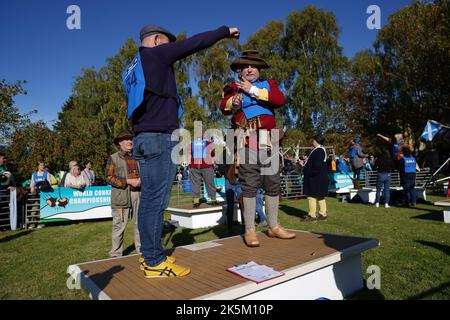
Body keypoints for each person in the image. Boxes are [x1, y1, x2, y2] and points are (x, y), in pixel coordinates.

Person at [127, 24, 240, 277]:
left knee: (149, 200)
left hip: (142, 137)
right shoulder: (155, 53)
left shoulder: (133, 65)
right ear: (157, 40)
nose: (170, 48)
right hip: (158, 137)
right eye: (167, 42)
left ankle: (148, 255)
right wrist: (224, 31)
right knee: (156, 201)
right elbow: (194, 43)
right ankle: (154, 261)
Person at [220, 49, 295, 247]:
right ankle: (250, 230)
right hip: (247, 140)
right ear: (239, 71)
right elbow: (223, 107)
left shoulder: (269, 85)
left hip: (269, 140)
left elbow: (279, 100)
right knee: (250, 184)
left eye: (254, 66)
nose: (250, 69)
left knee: (272, 183)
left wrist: (251, 90)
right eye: (246, 66)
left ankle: (273, 226)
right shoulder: (231, 88)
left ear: (259, 69)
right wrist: (233, 102)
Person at [106, 130, 142, 258]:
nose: (130, 141)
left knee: (140, 223)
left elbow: (144, 173)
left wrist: (141, 180)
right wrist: (127, 181)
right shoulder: (113, 157)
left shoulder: (138, 156)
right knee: (119, 226)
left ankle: (141, 249)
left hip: (138, 194)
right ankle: (116, 253)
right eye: (126, 139)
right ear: (120, 143)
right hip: (121, 196)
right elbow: (109, 178)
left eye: (130, 139)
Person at [303, 135, 328, 223]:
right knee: (320, 196)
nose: (312, 141)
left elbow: (317, 166)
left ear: (316, 141)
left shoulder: (319, 151)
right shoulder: (320, 150)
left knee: (311, 196)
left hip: (315, 178)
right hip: (319, 177)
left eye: (313, 140)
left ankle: (312, 216)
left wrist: (308, 173)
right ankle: (322, 214)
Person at [189, 134, 217, 208]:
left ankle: (196, 202)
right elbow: (213, 153)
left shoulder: (191, 143)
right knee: (210, 183)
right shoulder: (208, 143)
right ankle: (213, 200)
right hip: (206, 166)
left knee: (195, 184)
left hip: (194, 166)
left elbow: (189, 153)